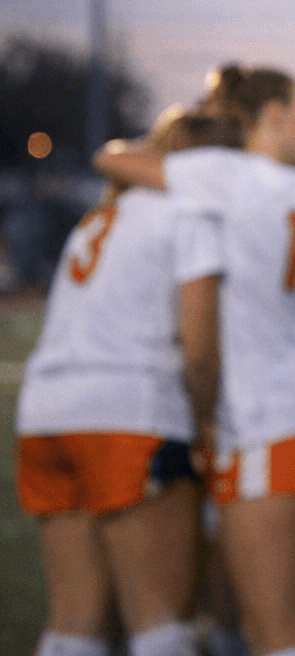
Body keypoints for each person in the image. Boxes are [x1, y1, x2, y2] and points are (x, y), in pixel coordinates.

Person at [96, 66, 295, 656]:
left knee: (277, 632)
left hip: (269, 421)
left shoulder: (229, 173)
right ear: (276, 116)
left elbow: (114, 161)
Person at [16, 108, 235, 656]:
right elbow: (199, 345)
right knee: (162, 623)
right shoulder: (191, 209)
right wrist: (209, 422)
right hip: (131, 409)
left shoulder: (101, 214)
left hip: (46, 413)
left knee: (74, 622)